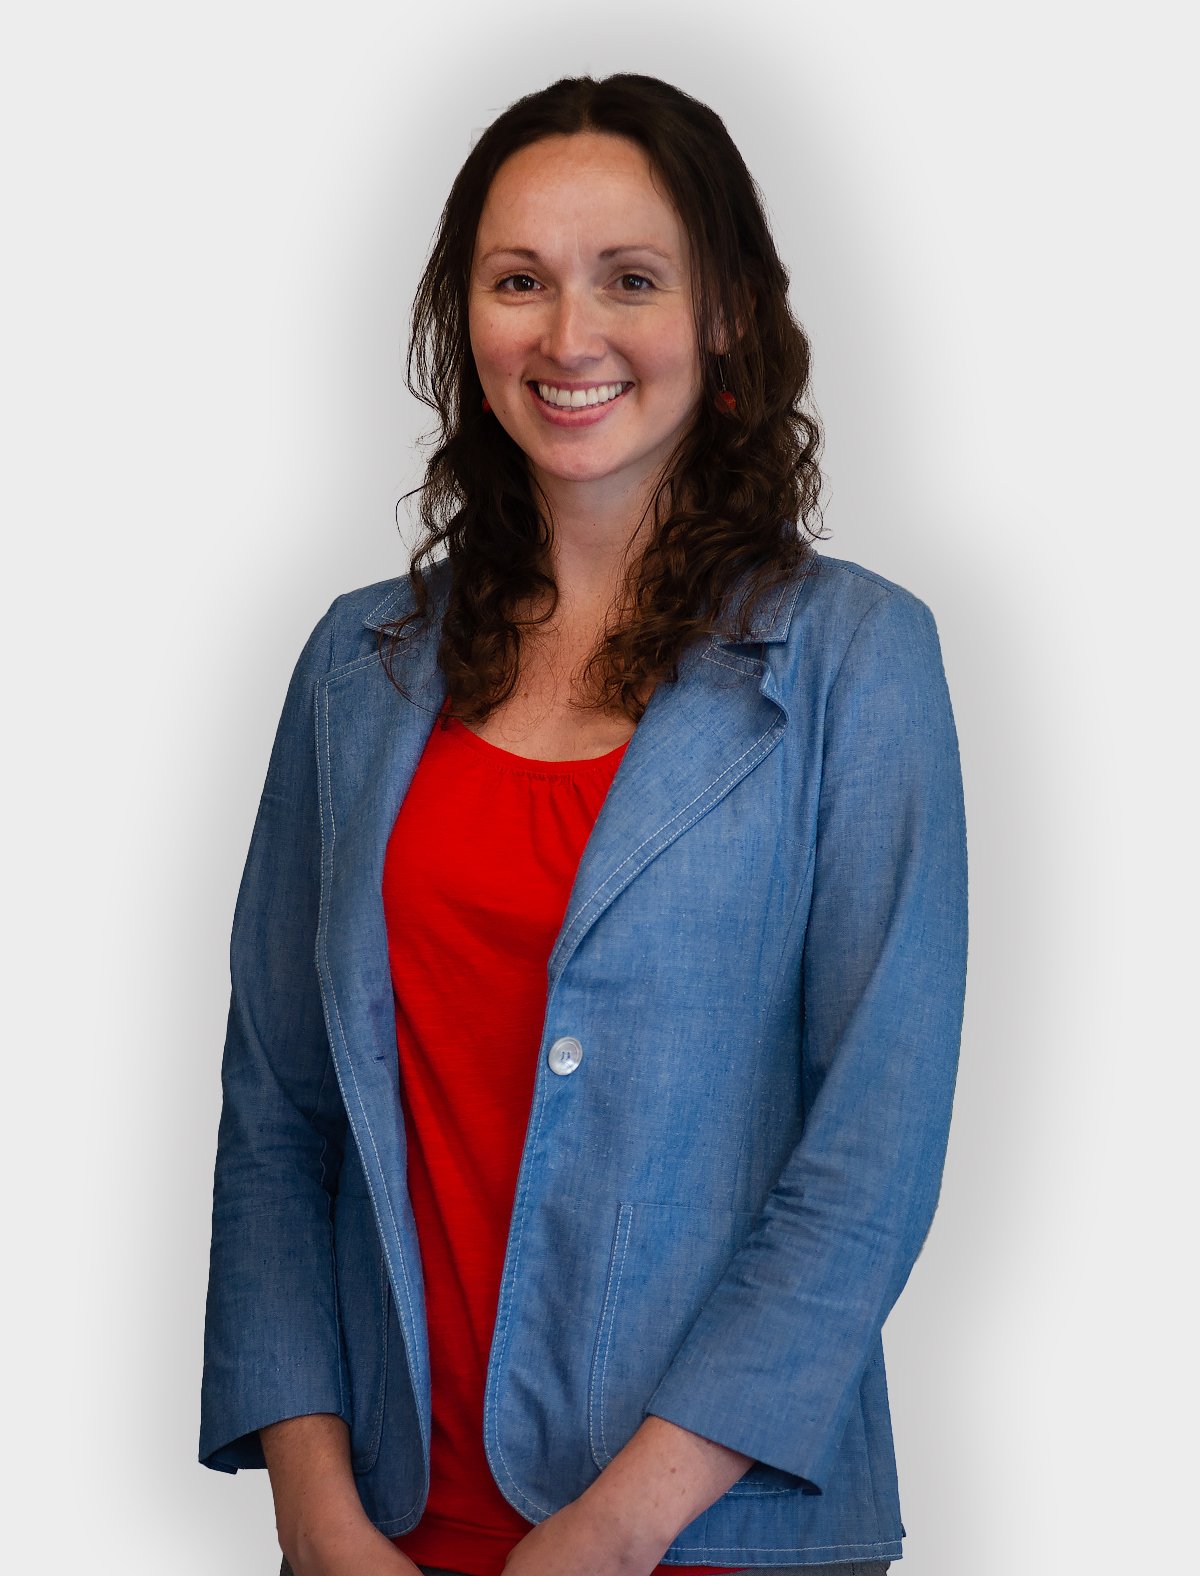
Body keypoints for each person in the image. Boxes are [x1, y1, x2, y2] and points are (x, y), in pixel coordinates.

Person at [199, 73, 968, 1576]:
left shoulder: (859, 660)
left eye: (631, 279)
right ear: (463, 318)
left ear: (727, 311)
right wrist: (314, 1513)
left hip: (712, 1535)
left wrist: (616, 1535)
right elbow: (277, 1121)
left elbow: (868, 1157)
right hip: (391, 1532)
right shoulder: (356, 672)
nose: (568, 338)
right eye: (517, 282)